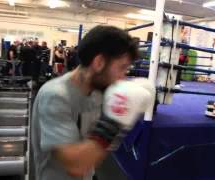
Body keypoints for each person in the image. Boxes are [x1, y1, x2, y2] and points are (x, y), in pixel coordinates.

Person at [31, 25, 155, 180]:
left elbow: (96, 152)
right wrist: (115, 121)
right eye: (122, 67)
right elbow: (76, 166)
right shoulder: (55, 96)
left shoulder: (98, 91)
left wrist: (121, 116)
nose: (123, 77)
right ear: (99, 63)